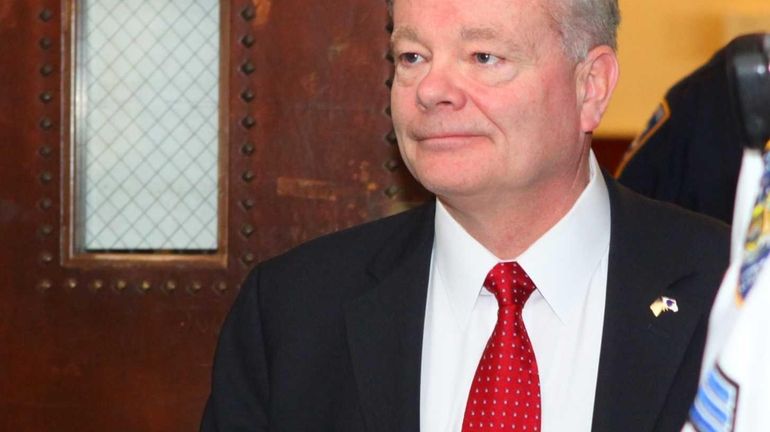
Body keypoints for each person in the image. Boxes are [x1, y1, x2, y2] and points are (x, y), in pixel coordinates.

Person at [201, 0, 729, 431]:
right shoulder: (291, 314)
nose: (430, 89)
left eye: (482, 57)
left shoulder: (735, 293)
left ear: (590, 86)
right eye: (411, 57)